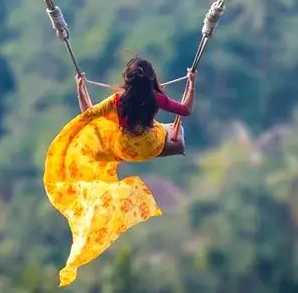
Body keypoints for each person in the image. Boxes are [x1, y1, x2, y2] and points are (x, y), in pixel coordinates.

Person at [43, 56, 197, 287]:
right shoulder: (155, 98)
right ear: (151, 79)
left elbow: (88, 114)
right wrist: (191, 83)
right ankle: (158, 144)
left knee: (103, 128)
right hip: (148, 147)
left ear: (127, 80)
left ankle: (102, 155)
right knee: (176, 132)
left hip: (123, 149)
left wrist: (80, 88)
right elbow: (184, 110)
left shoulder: (117, 100)